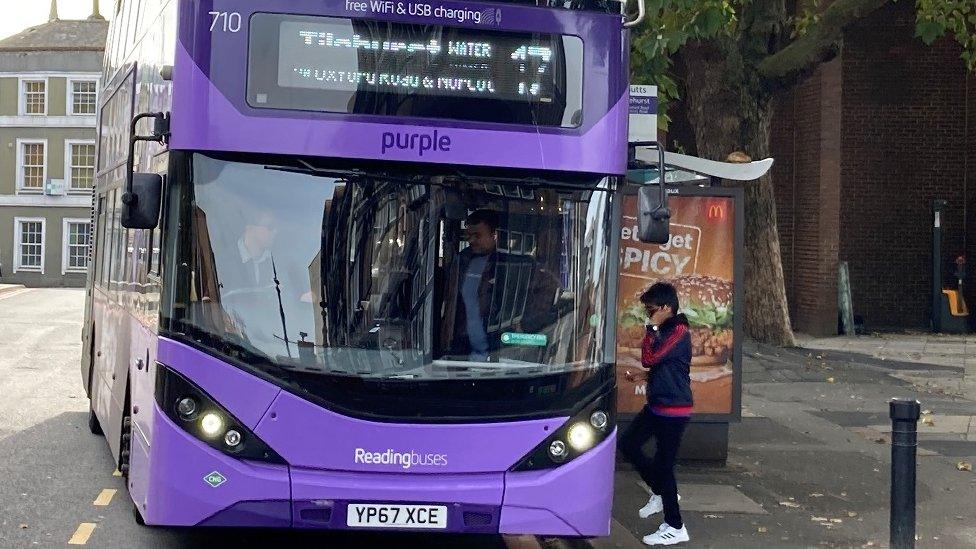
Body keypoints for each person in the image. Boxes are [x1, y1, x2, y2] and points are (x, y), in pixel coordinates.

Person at [619, 282, 693, 546]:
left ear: (665, 308)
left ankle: (675, 526)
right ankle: (660, 492)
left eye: (651, 310)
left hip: (674, 410)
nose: (647, 315)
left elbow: (650, 357)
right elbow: (666, 365)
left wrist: (651, 329)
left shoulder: (678, 330)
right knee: (628, 444)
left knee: (664, 466)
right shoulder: (667, 330)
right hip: (658, 405)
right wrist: (646, 376)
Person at [443, 209, 558, 361]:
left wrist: (527, 324)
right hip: (461, 347)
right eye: (469, 236)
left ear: (495, 235)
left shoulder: (517, 265)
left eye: (477, 236)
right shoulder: (462, 261)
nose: (471, 241)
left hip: (502, 347)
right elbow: (450, 301)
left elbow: (550, 285)